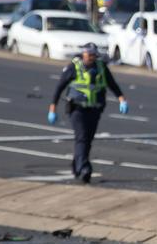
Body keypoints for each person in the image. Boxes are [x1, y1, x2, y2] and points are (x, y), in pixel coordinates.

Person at [48, 43, 128, 183]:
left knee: (87, 140)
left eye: (93, 54)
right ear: (83, 54)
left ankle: (76, 165)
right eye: (88, 54)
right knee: (82, 137)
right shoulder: (74, 67)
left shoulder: (101, 68)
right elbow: (60, 87)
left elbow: (112, 84)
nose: (91, 57)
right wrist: (52, 108)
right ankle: (85, 168)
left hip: (94, 109)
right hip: (77, 109)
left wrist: (122, 100)